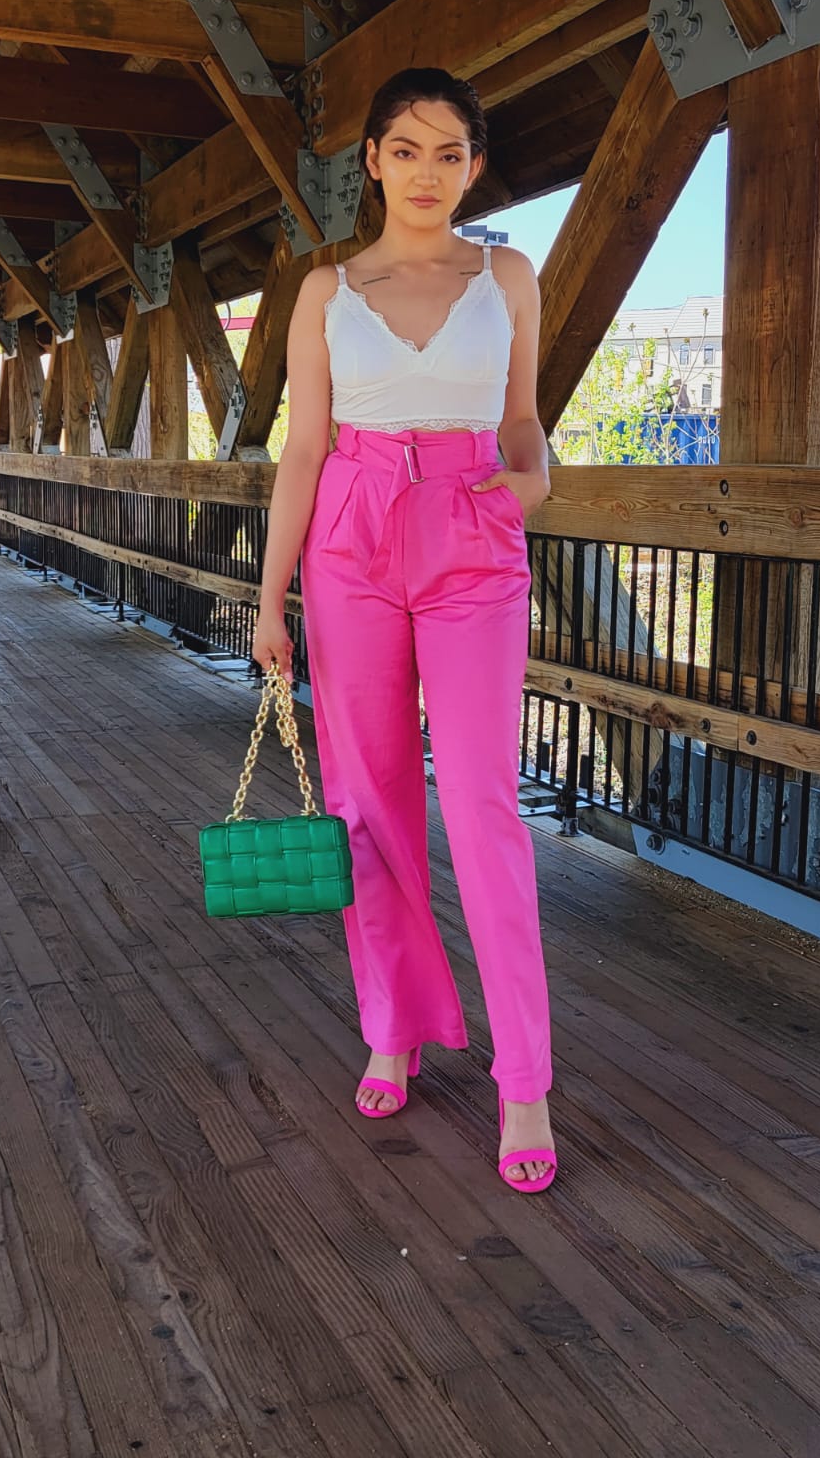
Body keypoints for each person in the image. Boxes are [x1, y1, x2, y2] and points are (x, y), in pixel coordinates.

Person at [251, 68, 555, 1192]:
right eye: (409, 149)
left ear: (474, 167)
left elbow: (526, 424)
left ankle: (523, 1075)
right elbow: (300, 451)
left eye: (453, 153)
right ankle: (395, 1023)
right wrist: (271, 596)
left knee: (482, 804)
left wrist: (520, 493)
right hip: (350, 537)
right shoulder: (326, 291)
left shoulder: (508, 274)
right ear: (371, 159)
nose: (431, 172)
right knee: (368, 801)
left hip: (472, 532)